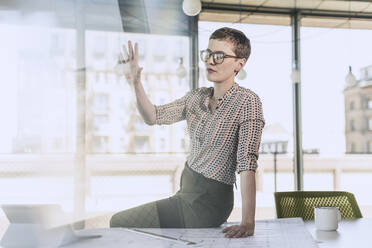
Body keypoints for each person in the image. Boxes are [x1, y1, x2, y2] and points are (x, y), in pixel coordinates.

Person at [110, 27, 265, 239]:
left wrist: (248, 222)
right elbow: (154, 116)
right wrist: (136, 83)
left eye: (219, 56)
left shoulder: (248, 101)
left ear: (240, 63)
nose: (210, 61)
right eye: (208, 54)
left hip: (209, 203)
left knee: (118, 222)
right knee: (134, 229)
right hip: (185, 195)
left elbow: (247, 163)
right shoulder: (196, 97)